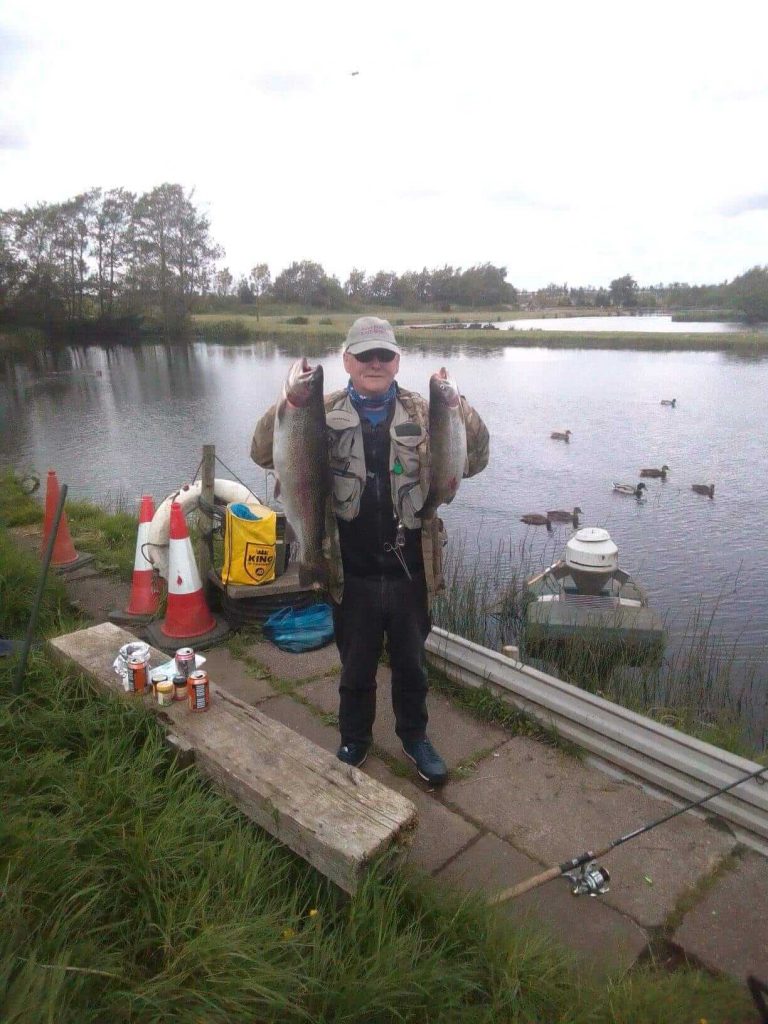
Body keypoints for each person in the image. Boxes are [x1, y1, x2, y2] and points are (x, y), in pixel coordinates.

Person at [250, 316, 489, 785]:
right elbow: (262, 452)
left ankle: (414, 736)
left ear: (397, 361)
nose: (374, 364)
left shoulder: (426, 411)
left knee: (411, 666)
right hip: (350, 569)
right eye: (364, 356)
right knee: (355, 667)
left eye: (383, 355)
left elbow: (475, 458)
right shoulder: (317, 409)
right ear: (347, 361)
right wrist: (287, 404)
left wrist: (458, 407)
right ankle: (354, 739)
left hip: (410, 568)